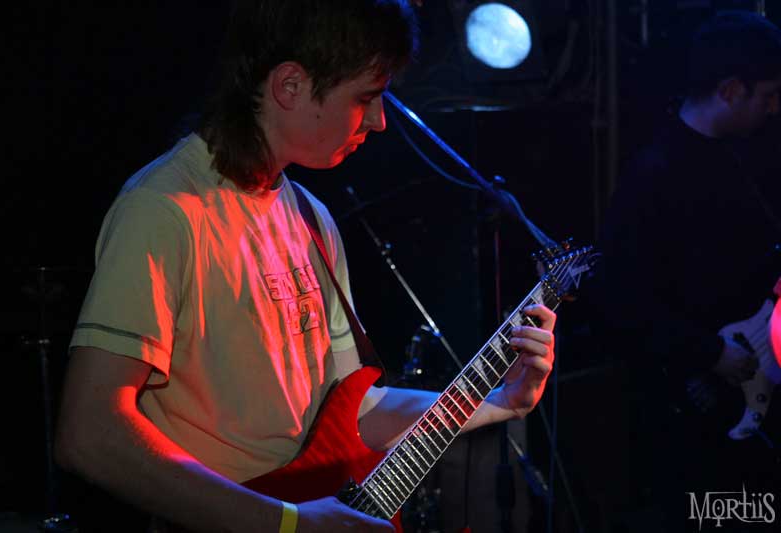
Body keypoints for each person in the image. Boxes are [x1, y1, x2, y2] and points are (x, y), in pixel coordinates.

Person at [53, 1, 557, 532]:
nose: (379, 120)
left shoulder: (311, 218)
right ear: (290, 85)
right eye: (366, 97)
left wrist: (500, 400)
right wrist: (288, 523)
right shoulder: (163, 210)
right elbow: (89, 434)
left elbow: (354, 412)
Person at [593, 10, 781, 532]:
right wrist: (709, 352)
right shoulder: (653, 176)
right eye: (768, 95)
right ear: (731, 90)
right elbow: (620, 300)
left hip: (755, 396)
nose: (774, 108)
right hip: (695, 414)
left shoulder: (750, 157)